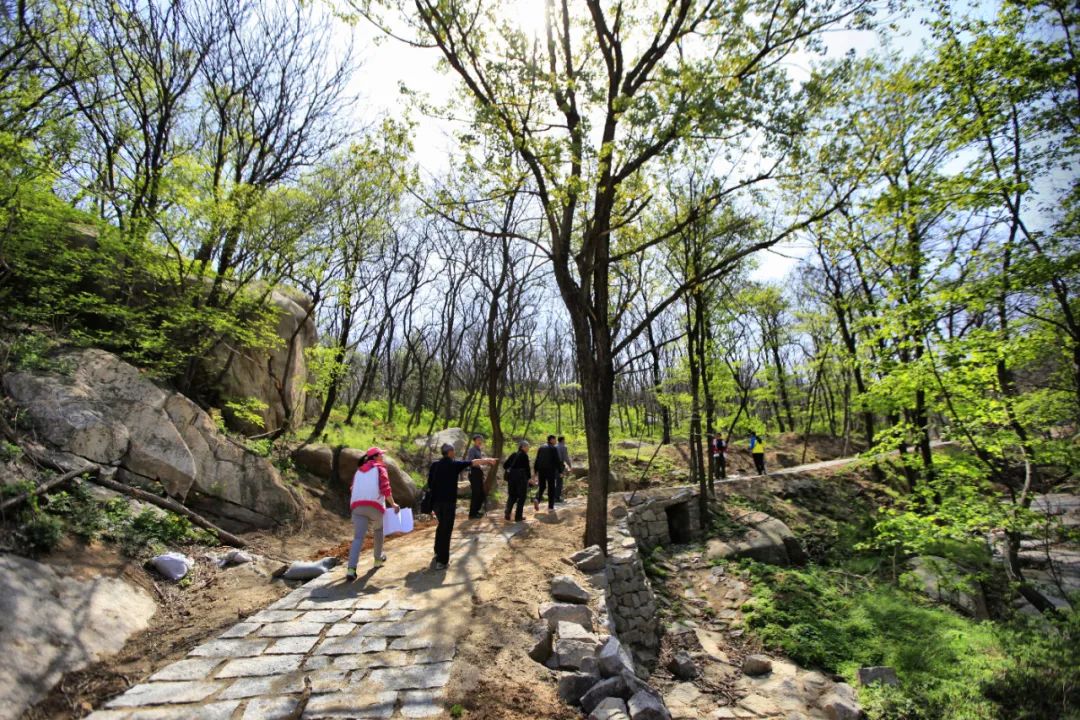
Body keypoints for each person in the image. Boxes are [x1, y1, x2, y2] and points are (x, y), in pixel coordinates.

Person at [427, 442, 497, 569]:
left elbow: (430, 483)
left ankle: (437, 552)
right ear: (450, 452)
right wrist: (488, 461)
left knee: (441, 527)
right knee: (446, 530)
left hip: (436, 503)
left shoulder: (435, 465)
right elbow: (473, 462)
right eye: (453, 451)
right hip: (448, 503)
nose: (454, 453)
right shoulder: (454, 465)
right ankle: (442, 561)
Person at [346, 447, 400, 582]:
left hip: (357, 507)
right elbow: (386, 489)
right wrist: (393, 504)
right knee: (378, 530)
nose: (383, 457)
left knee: (358, 538)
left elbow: (352, 488)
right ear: (375, 457)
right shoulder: (380, 469)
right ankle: (377, 559)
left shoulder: (358, 471)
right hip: (375, 506)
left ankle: (351, 569)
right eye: (381, 455)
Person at [502, 440, 532, 521]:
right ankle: (518, 517)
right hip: (521, 478)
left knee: (512, 495)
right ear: (522, 447)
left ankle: (507, 513)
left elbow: (505, 465)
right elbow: (527, 469)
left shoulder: (513, 454)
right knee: (522, 497)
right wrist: (529, 478)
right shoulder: (524, 455)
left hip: (511, 478)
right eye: (527, 446)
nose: (528, 448)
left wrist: (511, 470)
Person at [533, 435, 561, 511]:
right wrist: (560, 471)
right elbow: (557, 460)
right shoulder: (553, 448)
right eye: (555, 440)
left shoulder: (541, 447)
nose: (556, 441)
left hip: (541, 470)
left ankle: (537, 499)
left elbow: (537, 459)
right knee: (551, 487)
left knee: (542, 486)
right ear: (551, 440)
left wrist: (535, 471)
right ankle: (550, 507)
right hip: (550, 470)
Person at [466, 434, 488, 519]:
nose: (480, 441)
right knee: (476, 493)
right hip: (474, 473)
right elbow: (471, 462)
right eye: (478, 440)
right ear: (474, 441)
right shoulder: (472, 450)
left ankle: (476, 511)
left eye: (481, 440)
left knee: (481, 494)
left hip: (479, 473)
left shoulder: (479, 450)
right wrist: (480, 464)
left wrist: (483, 465)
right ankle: (472, 514)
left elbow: (479, 463)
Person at [555, 436, 572, 505]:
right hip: (559, 466)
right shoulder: (563, 447)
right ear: (562, 440)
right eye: (564, 440)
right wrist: (570, 465)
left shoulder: (554, 446)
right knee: (559, 481)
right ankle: (557, 498)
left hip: (553, 466)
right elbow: (565, 457)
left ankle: (554, 497)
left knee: (554, 481)